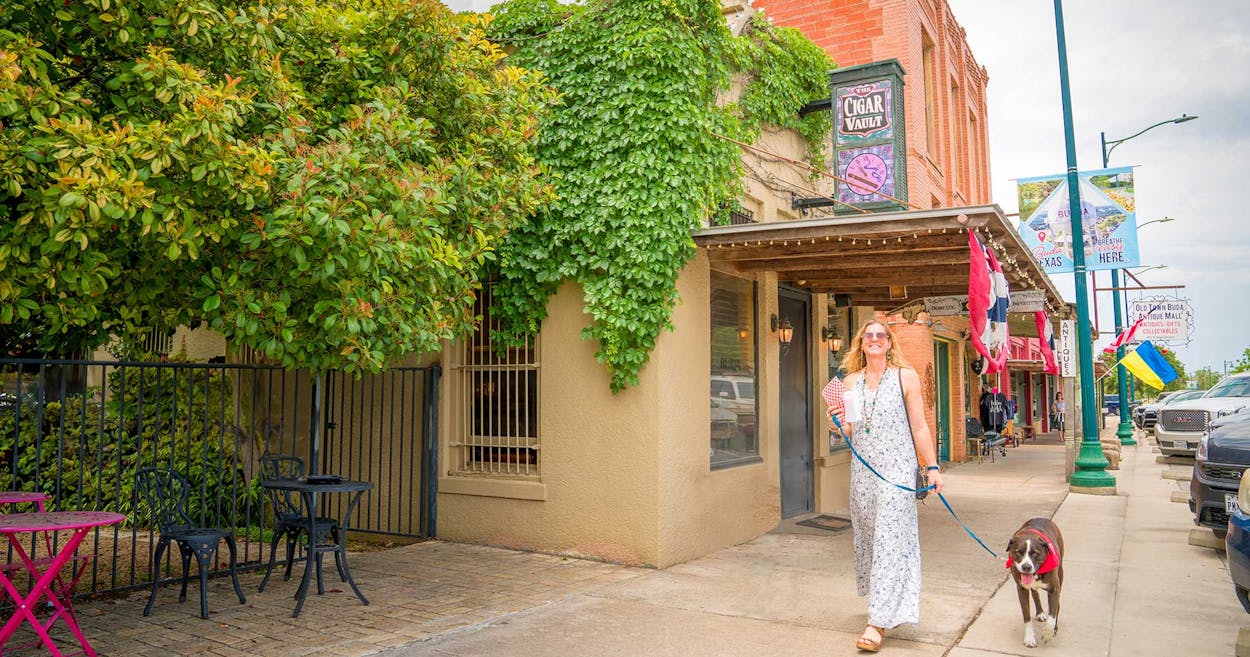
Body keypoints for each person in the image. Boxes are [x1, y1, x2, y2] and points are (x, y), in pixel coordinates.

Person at [824, 320, 943, 652]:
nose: (874, 340)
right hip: (863, 474)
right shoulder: (849, 382)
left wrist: (931, 467)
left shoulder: (905, 377)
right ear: (861, 344)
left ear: (889, 343)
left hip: (897, 472)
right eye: (868, 336)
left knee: (890, 540)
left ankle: (876, 623)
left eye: (881, 335)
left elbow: (919, 426)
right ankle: (889, 605)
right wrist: (834, 423)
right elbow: (850, 429)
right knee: (873, 540)